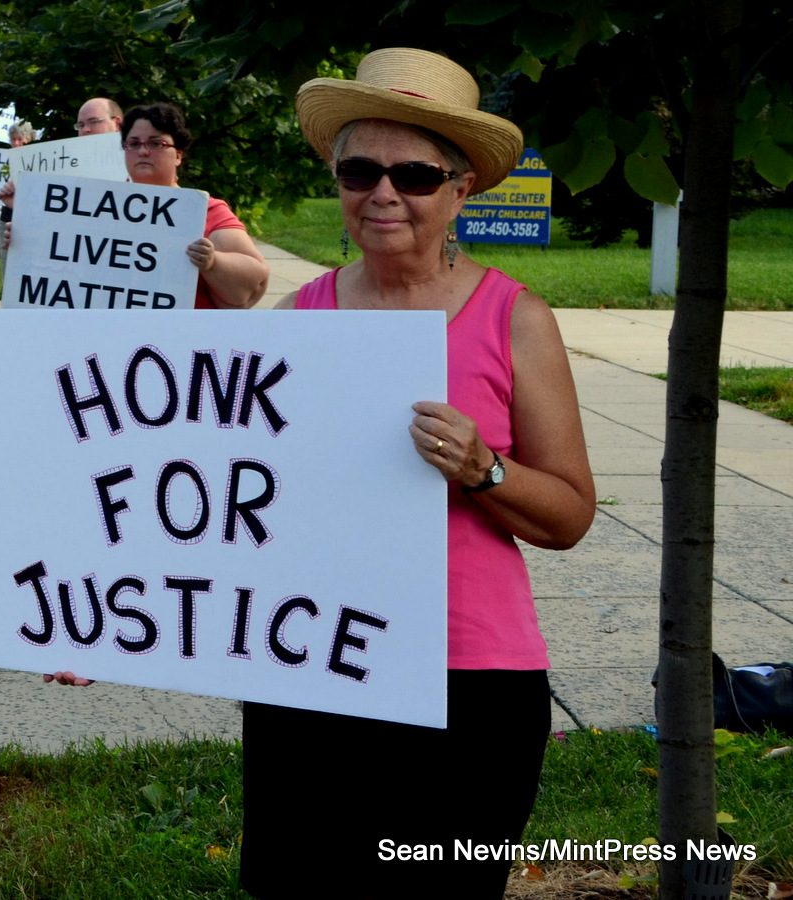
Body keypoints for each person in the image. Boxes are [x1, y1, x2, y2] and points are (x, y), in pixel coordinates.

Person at [238, 47, 596, 897]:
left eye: (415, 174)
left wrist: (485, 470)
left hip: (468, 679)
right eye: (359, 169)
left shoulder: (516, 319)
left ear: (461, 188)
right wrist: (102, 610)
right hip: (313, 660)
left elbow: (571, 515)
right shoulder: (301, 319)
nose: (384, 193)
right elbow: (238, 501)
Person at [5, 102, 270, 309]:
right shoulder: (96, 205)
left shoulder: (205, 211)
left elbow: (255, 282)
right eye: (133, 144)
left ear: (178, 155)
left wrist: (213, 263)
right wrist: (28, 234)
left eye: (156, 143)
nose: (142, 151)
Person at [0, 98, 123, 210]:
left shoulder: (135, 165)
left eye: (94, 122)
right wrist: (22, 205)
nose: (85, 130)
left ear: (117, 124)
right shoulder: (65, 168)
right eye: (80, 125)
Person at [0, 121, 37, 270]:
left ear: (30, 140)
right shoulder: (9, 161)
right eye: (13, 139)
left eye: (20, 139)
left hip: (31, 222)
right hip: (7, 218)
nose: (16, 143)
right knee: (6, 269)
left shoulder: (41, 161)